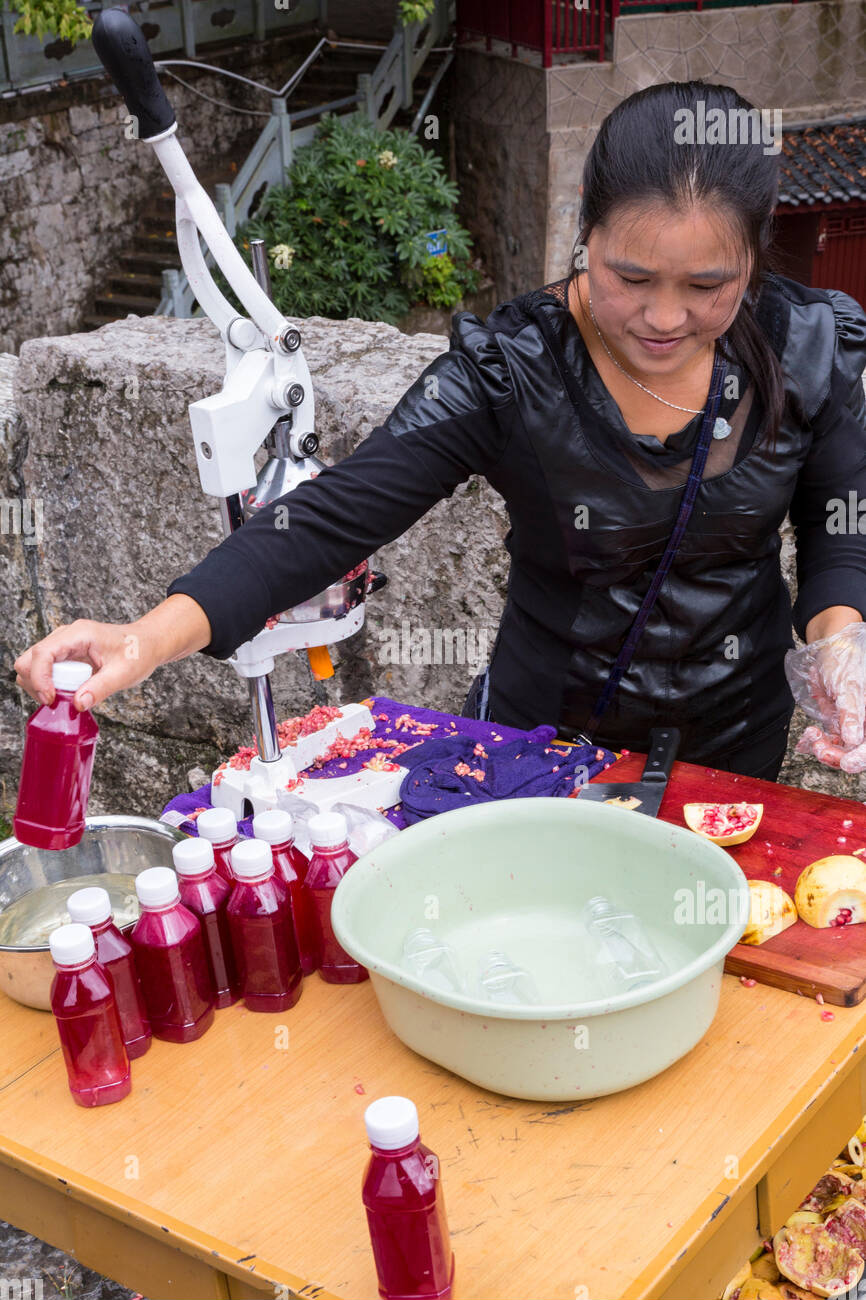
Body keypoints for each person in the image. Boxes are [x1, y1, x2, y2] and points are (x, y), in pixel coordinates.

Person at [14, 81, 866, 781]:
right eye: (630, 276)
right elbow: (329, 517)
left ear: (755, 256)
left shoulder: (814, 347)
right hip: (543, 742)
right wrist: (145, 635)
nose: (664, 317)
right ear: (586, 231)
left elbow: (839, 533)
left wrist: (842, 644)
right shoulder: (508, 371)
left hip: (735, 737)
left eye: (707, 286)